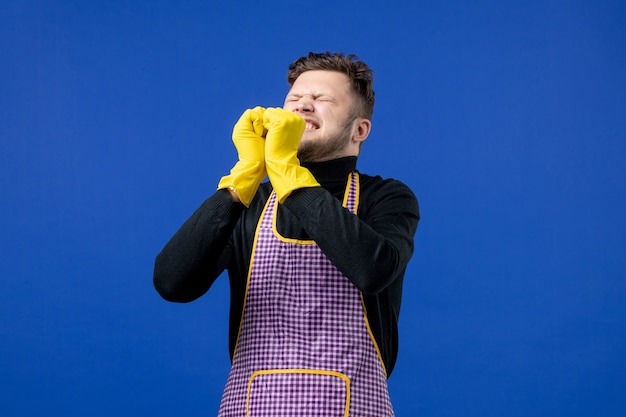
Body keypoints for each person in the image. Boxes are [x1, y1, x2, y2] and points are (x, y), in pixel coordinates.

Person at [153, 51, 420, 416]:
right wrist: (244, 176)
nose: (304, 106)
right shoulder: (248, 203)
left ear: (360, 130)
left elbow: (371, 269)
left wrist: (288, 174)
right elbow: (172, 282)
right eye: (295, 99)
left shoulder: (386, 198)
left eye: (323, 99)